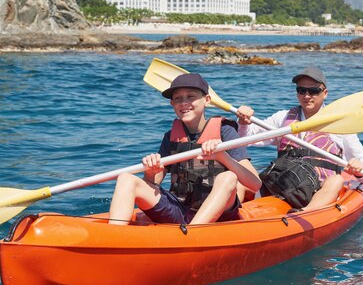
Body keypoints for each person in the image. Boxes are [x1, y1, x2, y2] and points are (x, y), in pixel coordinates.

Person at [109, 73, 261, 225]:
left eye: (191, 97)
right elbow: (153, 183)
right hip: (180, 208)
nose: (184, 103)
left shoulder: (225, 131)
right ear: (172, 104)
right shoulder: (171, 136)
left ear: (207, 100)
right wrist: (150, 172)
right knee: (126, 178)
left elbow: (255, 184)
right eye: (178, 99)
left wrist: (222, 157)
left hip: (219, 212)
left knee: (228, 177)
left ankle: (194, 232)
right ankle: (112, 237)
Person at [236, 67, 363, 211]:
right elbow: (247, 138)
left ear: (325, 93)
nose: (306, 96)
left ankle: (305, 213)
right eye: (301, 90)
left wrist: (358, 167)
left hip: (316, 189)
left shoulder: (339, 126)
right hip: (282, 181)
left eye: (313, 91)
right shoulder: (283, 118)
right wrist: (244, 122)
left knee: (336, 180)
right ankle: (229, 218)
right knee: (237, 179)